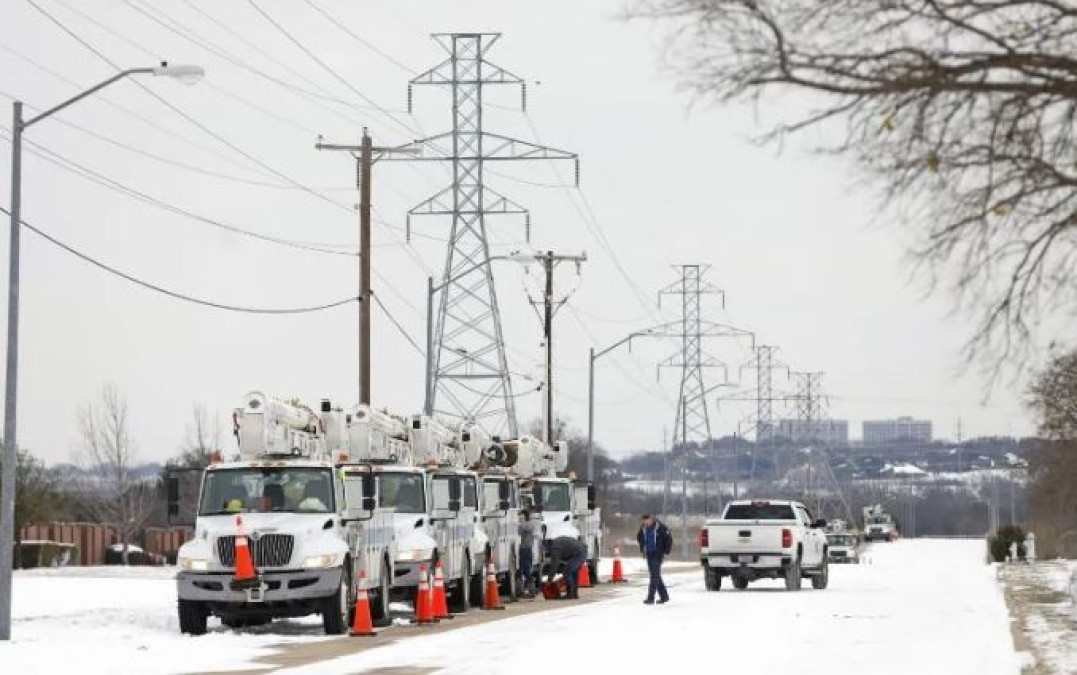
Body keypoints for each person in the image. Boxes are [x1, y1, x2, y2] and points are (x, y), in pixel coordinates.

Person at [637, 513, 672, 605]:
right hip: (649, 554)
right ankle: (664, 596)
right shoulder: (643, 529)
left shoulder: (660, 527)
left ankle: (650, 597)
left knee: (654, 576)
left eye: (647, 520)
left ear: (651, 519)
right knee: (656, 575)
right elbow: (639, 538)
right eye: (644, 521)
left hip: (658, 554)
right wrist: (642, 548)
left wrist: (666, 552)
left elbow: (668, 539)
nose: (646, 522)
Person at [545, 535, 588, 599]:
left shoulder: (555, 548)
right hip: (583, 551)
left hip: (578, 554)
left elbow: (554, 564)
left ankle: (570, 594)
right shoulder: (557, 540)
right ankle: (575, 594)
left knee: (567, 572)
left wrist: (550, 579)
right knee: (574, 573)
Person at [518, 509, 536, 597]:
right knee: (523, 570)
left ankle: (532, 590)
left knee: (526, 570)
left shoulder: (529, 524)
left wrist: (521, 521)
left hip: (526, 549)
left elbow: (524, 528)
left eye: (522, 516)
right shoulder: (527, 523)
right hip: (524, 549)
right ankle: (525, 589)